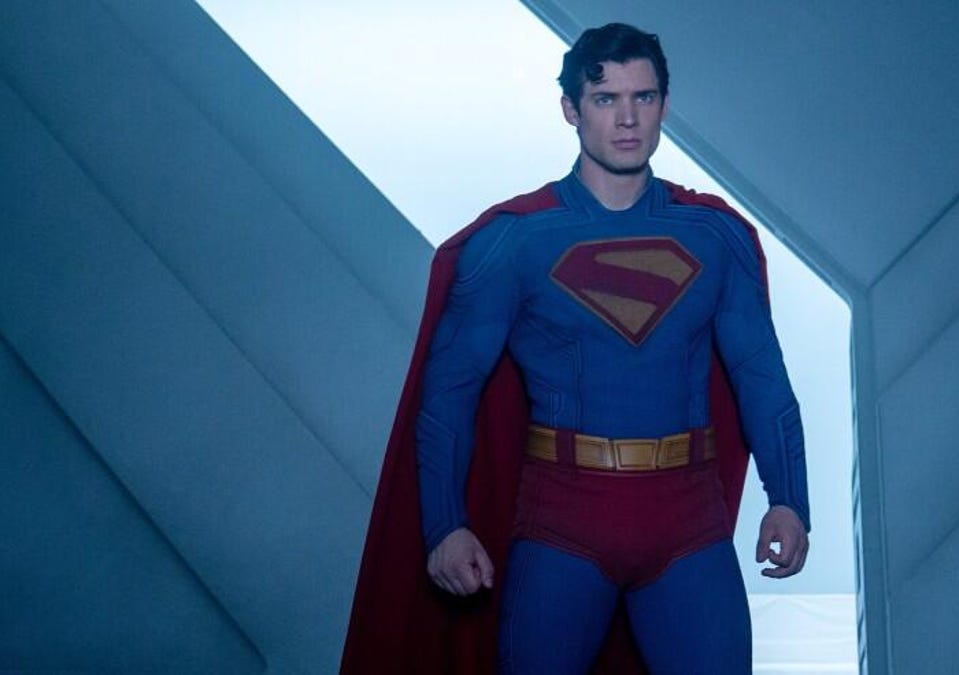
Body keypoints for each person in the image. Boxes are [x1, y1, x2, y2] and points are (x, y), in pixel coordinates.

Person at [341, 22, 809, 675]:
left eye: (643, 97)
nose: (627, 118)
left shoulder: (714, 236)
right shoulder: (514, 242)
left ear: (664, 106)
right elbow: (449, 394)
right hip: (562, 525)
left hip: (689, 525)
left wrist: (788, 498)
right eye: (605, 98)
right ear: (571, 108)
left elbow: (761, 375)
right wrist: (444, 525)